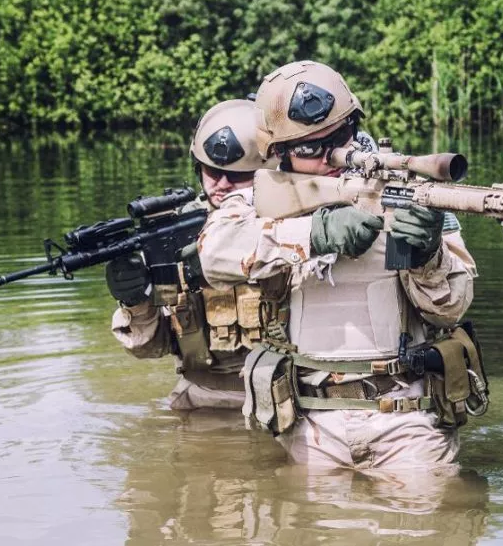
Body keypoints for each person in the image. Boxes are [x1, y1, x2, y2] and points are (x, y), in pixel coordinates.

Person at [198, 61, 481, 469]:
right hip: (310, 423)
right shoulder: (264, 197)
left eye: (340, 137)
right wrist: (313, 234)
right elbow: (213, 252)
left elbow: (452, 308)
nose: (333, 155)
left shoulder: (408, 192)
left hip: (407, 419)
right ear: (277, 152)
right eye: (311, 148)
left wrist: (427, 254)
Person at [105, 99, 276, 410]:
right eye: (212, 171)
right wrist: (135, 301)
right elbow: (152, 348)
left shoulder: (290, 231)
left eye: (238, 176)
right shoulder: (175, 234)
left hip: (282, 396)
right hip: (199, 399)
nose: (222, 185)